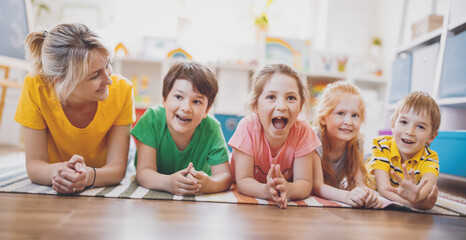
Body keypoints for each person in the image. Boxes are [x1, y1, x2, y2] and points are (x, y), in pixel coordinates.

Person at [15, 23, 135, 194]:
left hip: (104, 164)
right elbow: (35, 165)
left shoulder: (122, 89)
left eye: (107, 65)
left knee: (131, 153)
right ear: (61, 82)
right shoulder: (35, 87)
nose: (109, 80)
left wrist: (88, 176)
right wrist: (56, 172)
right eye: (95, 75)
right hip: (61, 162)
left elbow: (116, 169)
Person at [131, 62, 231, 195]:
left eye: (196, 101)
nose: (186, 107)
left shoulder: (212, 128)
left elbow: (224, 175)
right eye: (179, 97)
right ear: (164, 100)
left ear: (207, 110)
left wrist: (210, 185)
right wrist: (168, 182)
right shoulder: (151, 119)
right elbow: (144, 173)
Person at [229, 63, 320, 209]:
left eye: (291, 98)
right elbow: (244, 181)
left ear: (301, 106)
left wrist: (289, 189)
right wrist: (266, 190)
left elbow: (304, 182)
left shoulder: (303, 132)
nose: (282, 106)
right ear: (255, 106)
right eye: (271, 97)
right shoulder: (247, 127)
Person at [367, 91, 440, 210]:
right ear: (393, 125)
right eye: (404, 122)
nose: (409, 132)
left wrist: (417, 196)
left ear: (431, 136)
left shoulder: (429, 158)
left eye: (420, 127)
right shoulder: (381, 145)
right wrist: (415, 204)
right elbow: (383, 190)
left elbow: (427, 187)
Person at [312, 81, 379, 208]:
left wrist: (367, 194)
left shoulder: (357, 141)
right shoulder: (314, 139)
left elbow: (358, 181)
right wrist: (346, 196)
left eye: (355, 115)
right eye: (341, 113)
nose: (348, 121)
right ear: (323, 118)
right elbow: (316, 186)